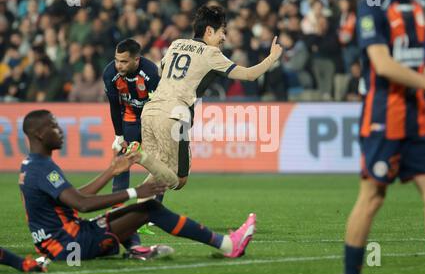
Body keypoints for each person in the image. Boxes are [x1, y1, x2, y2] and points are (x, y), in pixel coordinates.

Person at [19, 109, 255, 263]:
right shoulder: (42, 168)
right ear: (39, 134)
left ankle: (136, 250)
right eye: (54, 126)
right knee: (149, 208)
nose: (60, 131)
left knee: (120, 213)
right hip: (71, 246)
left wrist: (112, 171)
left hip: (59, 245)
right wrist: (135, 192)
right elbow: (82, 204)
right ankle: (227, 245)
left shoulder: (33, 165)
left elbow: (76, 196)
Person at [344, 0, 425, 274]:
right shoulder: (372, 5)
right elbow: (384, 65)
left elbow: (415, 60)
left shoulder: (417, 7)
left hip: (417, 118)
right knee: (373, 198)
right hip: (382, 119)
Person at [133, 5, 282, 193]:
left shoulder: (175, 44)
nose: (224, 37)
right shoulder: (211, 54)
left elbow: (160, 72)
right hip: (173, 115)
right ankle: (139, 156)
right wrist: (272, 58)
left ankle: (141, 215)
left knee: (158, 172)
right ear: (209, 30)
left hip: (150, 112)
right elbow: (250, 74)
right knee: (179, 180)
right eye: (222, 32)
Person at [103, 38, 161, 245]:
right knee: (122, 159)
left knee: (160, 165)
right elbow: (113, 106)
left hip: (151, 118)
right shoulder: (110, 74)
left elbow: (159, 103)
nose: (119, 65)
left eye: (124, 62)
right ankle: (118, 212)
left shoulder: (152, 73)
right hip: (129, 118)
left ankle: (151, 213)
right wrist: (119, 135)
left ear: (137, 60)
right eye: (117, 60)